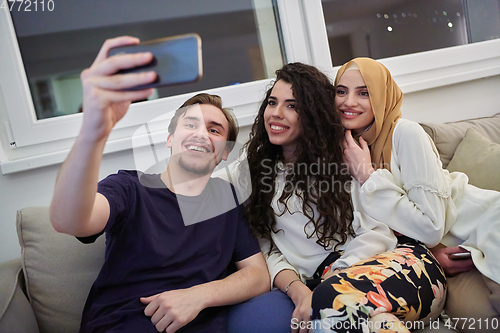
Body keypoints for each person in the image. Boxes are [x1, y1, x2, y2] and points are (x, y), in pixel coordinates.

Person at [49, 36, 270, 333]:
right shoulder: (130, 187)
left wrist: (198, 296)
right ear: (169, 139)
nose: (201, 134)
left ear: (224, 153)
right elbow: (69, 221)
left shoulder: (226, 198)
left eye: (214, 130)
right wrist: (93, 132)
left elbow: (257, 276)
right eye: (190, 124)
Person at [225, 62, 445, 333]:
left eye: (292, 106)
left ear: (313, 114)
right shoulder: (249, 173)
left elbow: (377, 234)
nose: (276, 114)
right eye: (272, 102)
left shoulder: (343, 158)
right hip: (337, 292)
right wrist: (298, 291)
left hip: (396, 266)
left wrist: (330, 284)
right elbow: (267, 250)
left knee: (331, 307)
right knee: (354, 321)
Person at [333, 57, 500, 331]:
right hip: (452, 252)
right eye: (341, 91)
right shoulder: (348, 147)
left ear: (382, 95)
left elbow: (431, 225)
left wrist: (368, 176)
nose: (348, 102)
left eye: (364, 92)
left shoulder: (406, 134)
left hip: (485, 222)